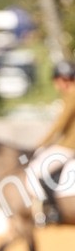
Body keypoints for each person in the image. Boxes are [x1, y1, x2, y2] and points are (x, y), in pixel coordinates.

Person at [27, 59, 75, 225]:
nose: (56, 85)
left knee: (33, 172)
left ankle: (48, 210)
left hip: (69, 147)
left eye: (57, 81)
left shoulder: (72, 96)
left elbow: (59, 126)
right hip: (67, 145)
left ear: (63, 79)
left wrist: (41, 144)